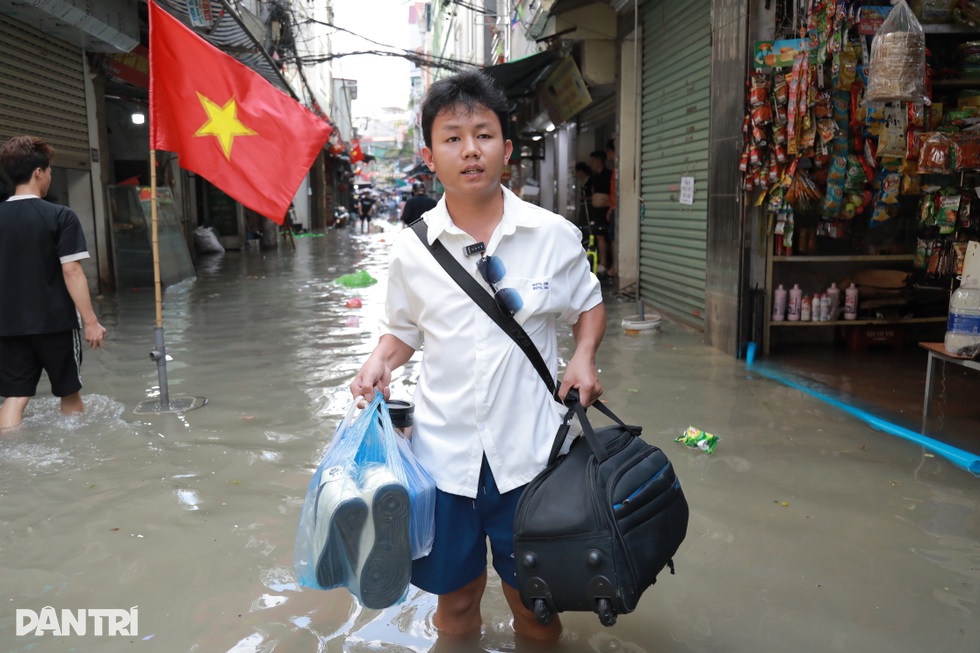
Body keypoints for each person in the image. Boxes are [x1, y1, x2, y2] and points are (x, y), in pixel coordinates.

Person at [350, 70, 605, 643]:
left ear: (507, 149)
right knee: (456, 610)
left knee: (537, 614)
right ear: (430, 155)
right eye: (453, 137)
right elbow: (403, 331)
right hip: (444, 466)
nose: (471, 151)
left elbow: (589, 306)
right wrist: (379, 362)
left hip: (533, 463)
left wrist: (584, 355)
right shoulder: (413, 251)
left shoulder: (552, 235)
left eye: (484, 135)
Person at [0, 135, 107, 430]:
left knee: (14, 396)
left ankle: (9, 453)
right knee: (69, 393)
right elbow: (72, 271)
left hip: (8, 325)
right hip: (55, 323)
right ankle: (76, 454)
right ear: (38, 172)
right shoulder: (60, 216)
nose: (49, 176)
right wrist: (91, 321)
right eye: (49, 171)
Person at [588, 149, 612, 275]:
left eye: (593, 160)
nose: (591, 163)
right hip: (596, 210)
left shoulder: (608, 174)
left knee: (605, 236)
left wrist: (610, 206)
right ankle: (602, 261)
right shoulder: (594, 175)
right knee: (598, 236)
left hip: (606, 210)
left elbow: (613, 194)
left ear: (599, 161)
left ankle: (605, 262)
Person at [604, 139, 618, 278]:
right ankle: (614, 266)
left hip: (616, 209)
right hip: (614, 208)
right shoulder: (615, 168)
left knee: (614, 238)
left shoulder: (617, 169)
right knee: (613, 238)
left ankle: (615, 267)